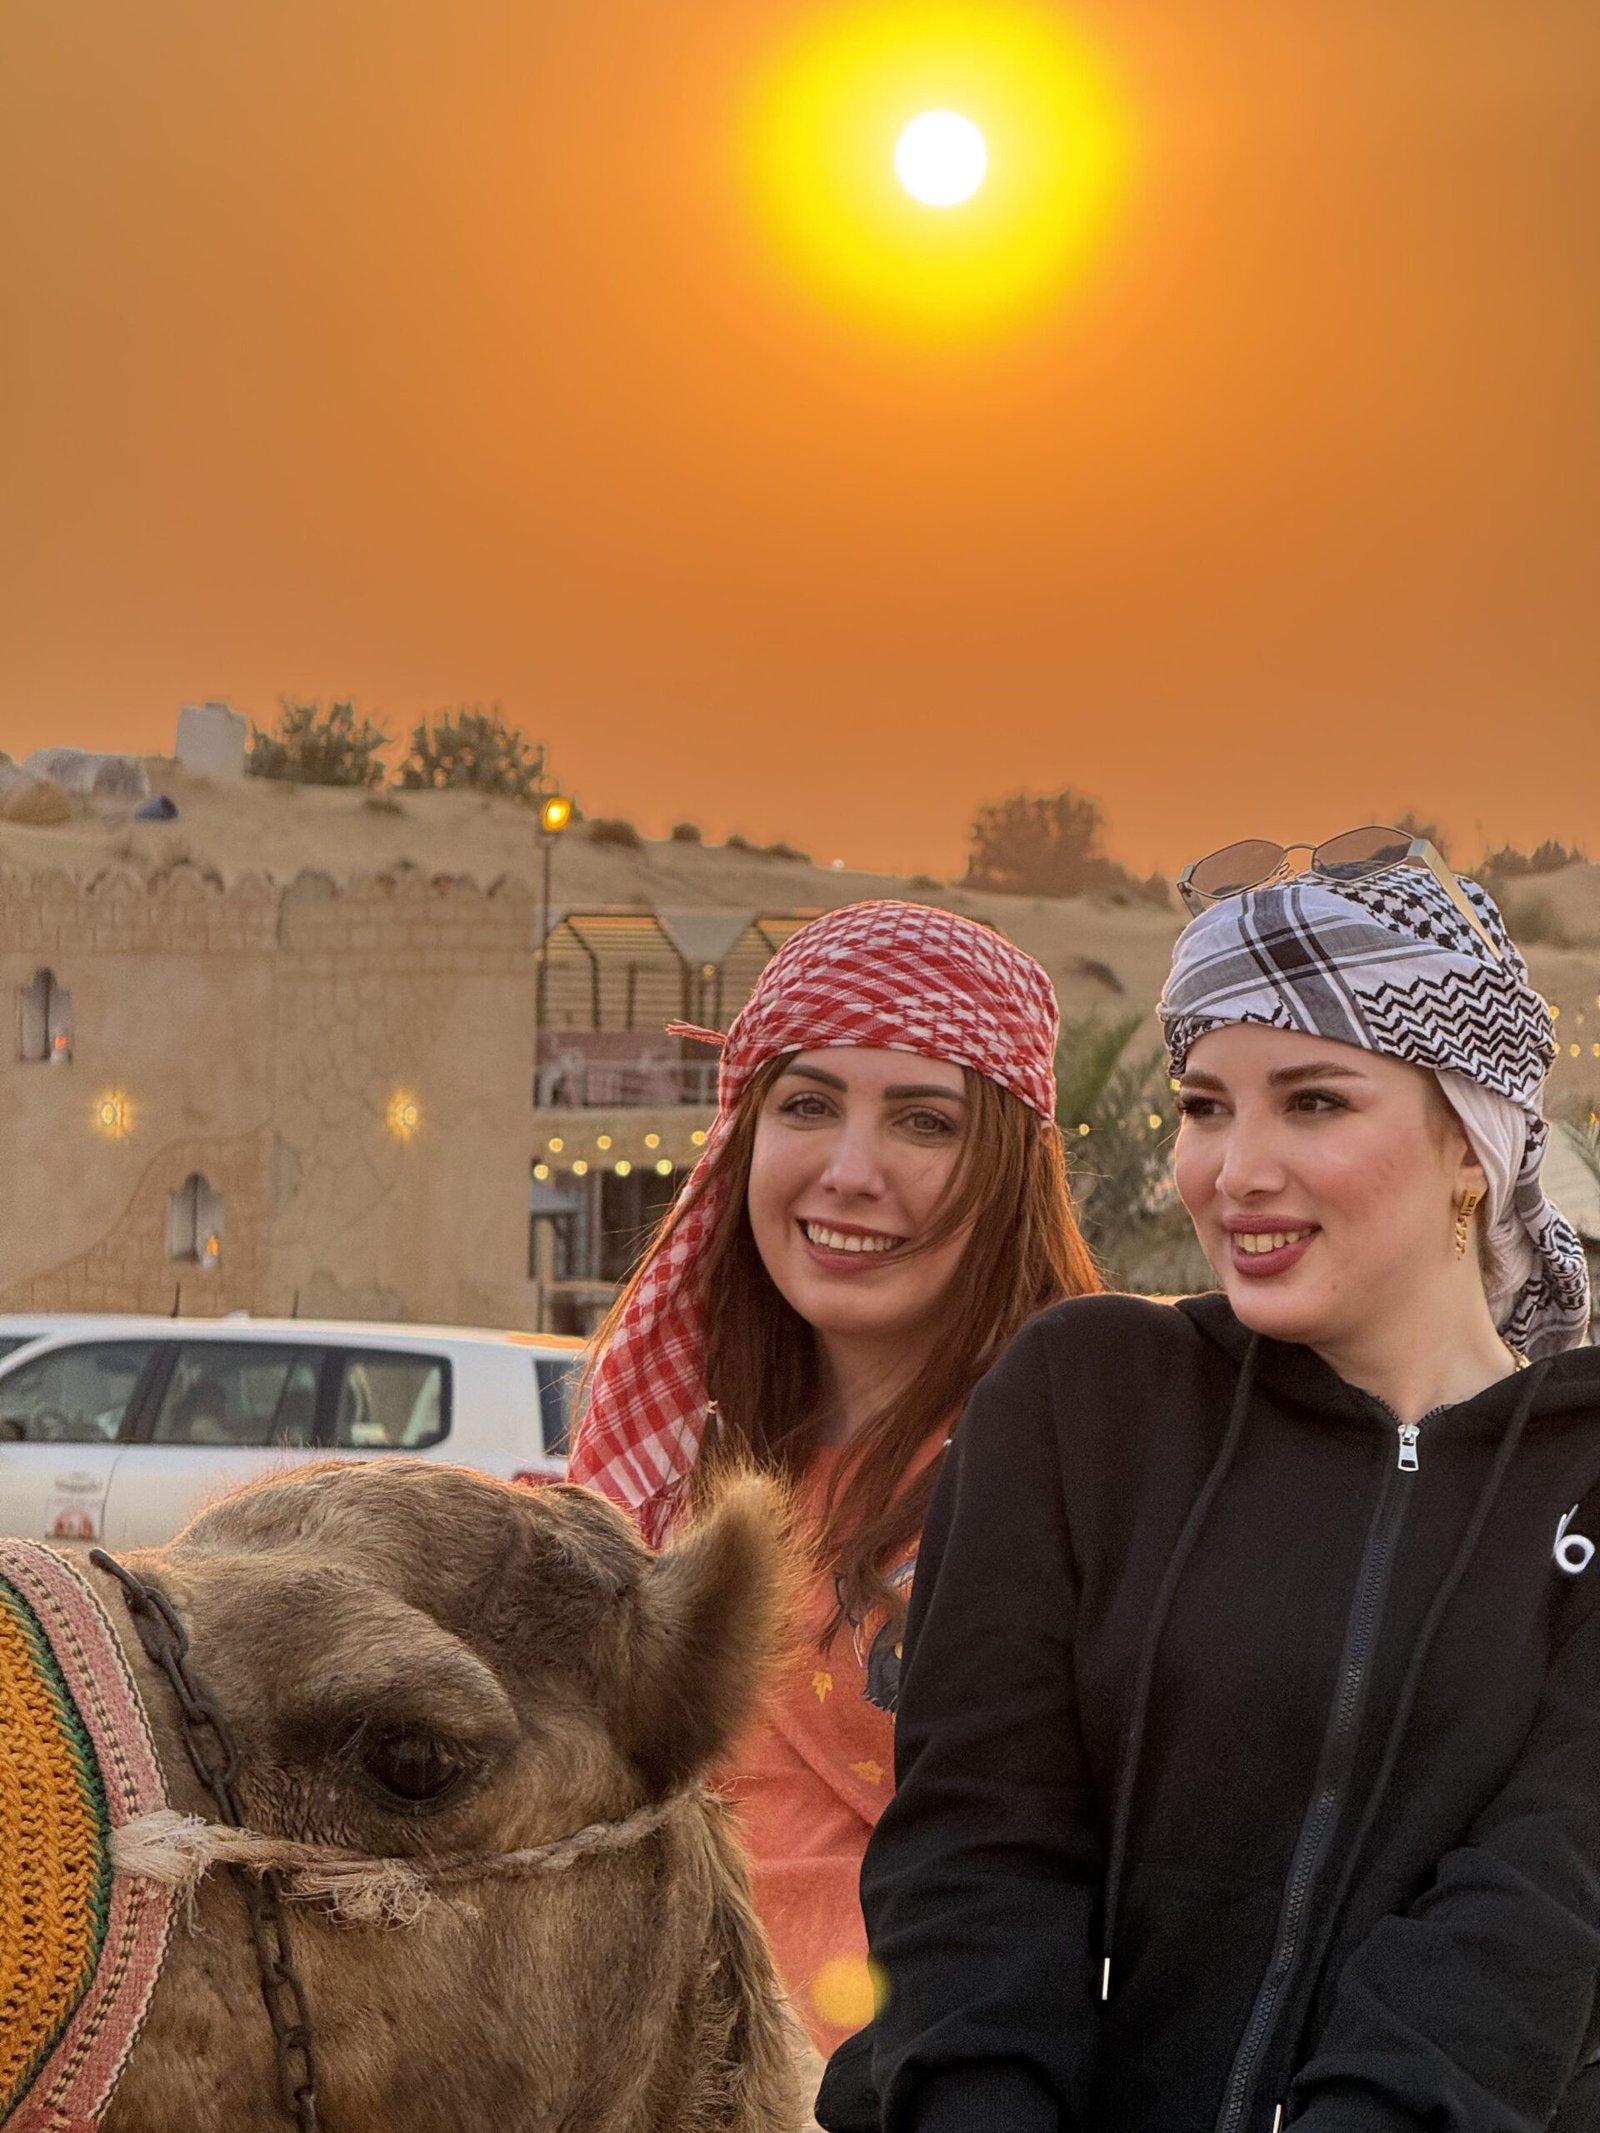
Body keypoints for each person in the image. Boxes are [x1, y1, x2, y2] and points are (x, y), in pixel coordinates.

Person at [818, 835, 1600, 2133]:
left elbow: (1536, 1913)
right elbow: (975, 1849)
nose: (1234, 1171)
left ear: (1473, 1141)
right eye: (1203, 1105)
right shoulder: (1087, 1398)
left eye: (1313, 1100)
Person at [569, 899, 1099, 2051]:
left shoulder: (1089, 1474)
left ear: (1010, 1168)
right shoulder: (660, 1486)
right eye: (808, 1105)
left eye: (924, 1121)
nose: (851, 1172)